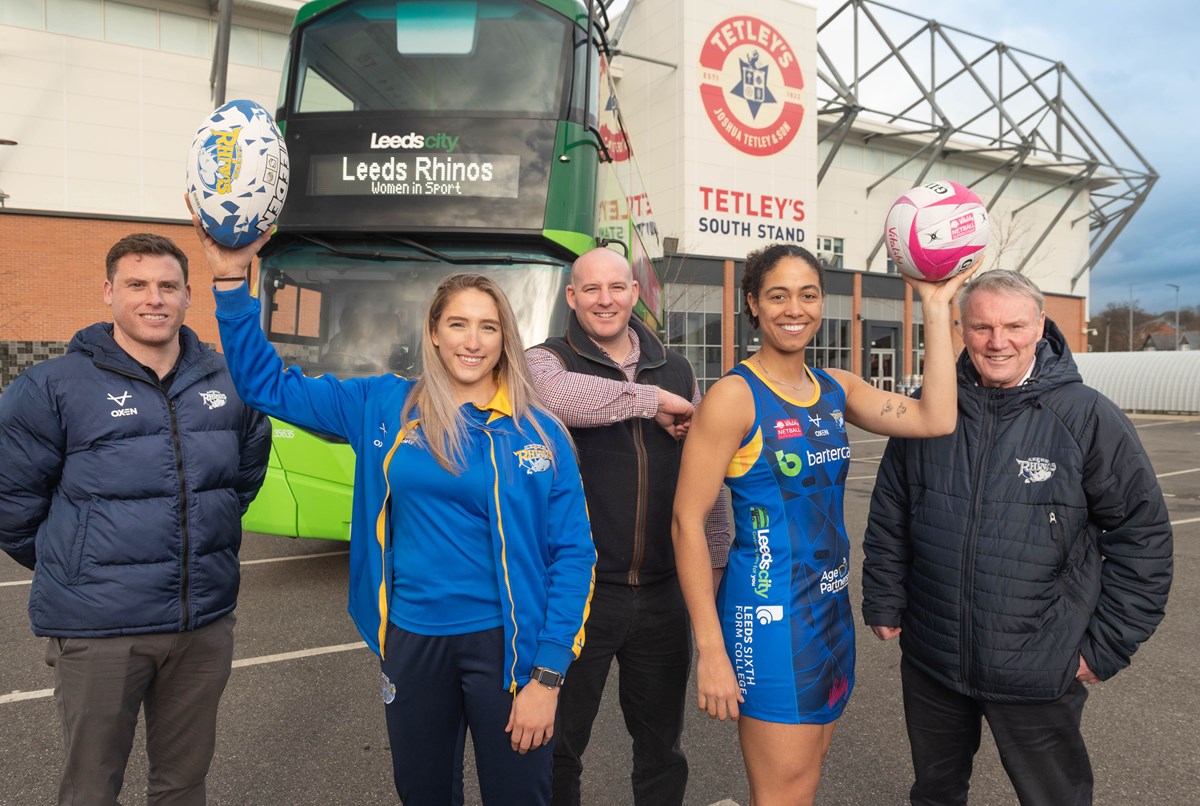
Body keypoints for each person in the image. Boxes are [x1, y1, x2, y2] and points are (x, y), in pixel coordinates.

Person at [191, 220, 596, 806]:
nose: (473, 341)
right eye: (458, 324)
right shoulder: (382, 405)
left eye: (489, 327)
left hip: (510, 650)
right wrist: (231, 280)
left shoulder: (541, 432)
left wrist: (548, 676)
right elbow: (265, 385)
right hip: (413, 641)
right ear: (433, 333)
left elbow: (574, 555)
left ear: (506, 338)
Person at [672, 243, 973, 806]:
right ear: (753, 305)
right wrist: (709, 647)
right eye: (778, 295)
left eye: (808, 295)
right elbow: (687, 523)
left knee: (804, 784)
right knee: (782, 793)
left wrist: (935, 303)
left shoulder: (836, 388)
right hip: (767, 618)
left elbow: (936, 416)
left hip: (829, 614)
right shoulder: (734, 397)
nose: (795, 308)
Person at [861, 269, 1173, 806]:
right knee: (935, 793)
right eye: (981, 327)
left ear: (1040, 327)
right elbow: (892, 509)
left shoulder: (1086, 415)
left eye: (1013, 326)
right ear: (961, 329)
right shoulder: (931, 406)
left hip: (1038, 664)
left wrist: (1104, 648)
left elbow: (1142, 537)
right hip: (934, 656)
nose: (997, 341)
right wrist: (885, 598)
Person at [0, 233, 272, 806]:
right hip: (99, 631)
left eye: (168, 286)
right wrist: (76, 563)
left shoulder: (231, 381)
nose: (155, 299)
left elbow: (239, 482)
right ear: (108, 293)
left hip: (201, 625)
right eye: (137, 285)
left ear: (187, 296)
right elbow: (13, 505)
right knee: (91, 787)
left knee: (183, 784)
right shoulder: (50, 387)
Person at [527, 247, 730, 806]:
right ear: (572, 297)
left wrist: (712, 564)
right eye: (590, 290)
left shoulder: (679, 366)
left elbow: (705, 479)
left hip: (663, 594)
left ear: (635, 294)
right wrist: (652, 400)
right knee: (557, 746)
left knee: (661, 747)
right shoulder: (546, 361)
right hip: (579, 596)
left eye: (617, 288)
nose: (605, 300)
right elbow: (558, 399)